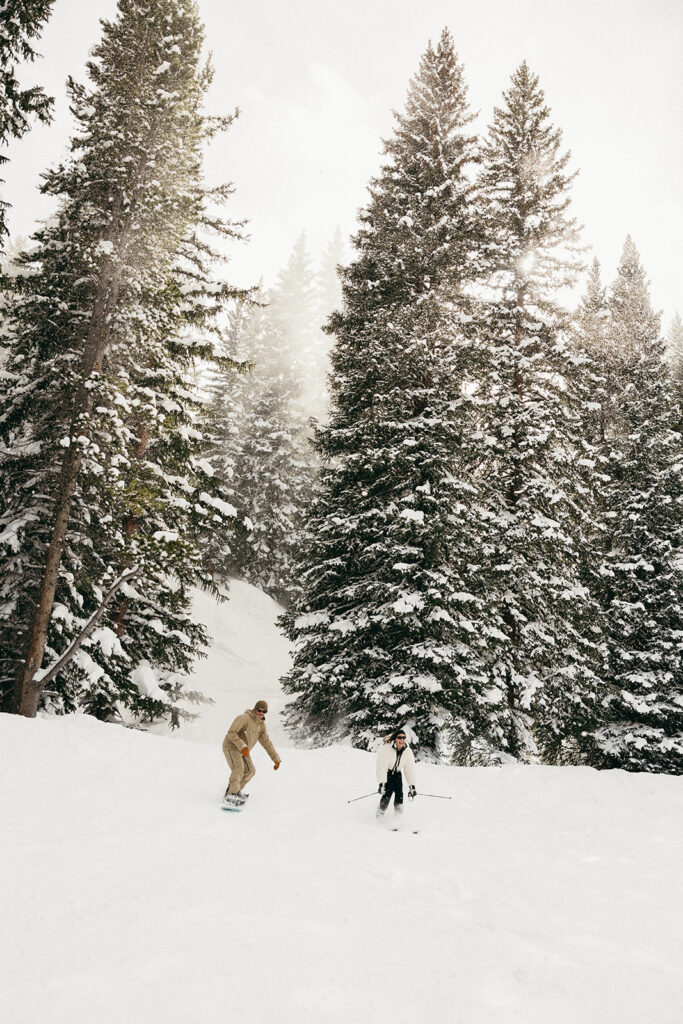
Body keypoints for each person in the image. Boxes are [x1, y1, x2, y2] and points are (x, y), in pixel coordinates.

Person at [222, 699, 281, 808]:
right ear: (255, 709)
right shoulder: (244, 718)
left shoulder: (261, 725)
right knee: (239, 769)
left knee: (250, 771)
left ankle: (235, 790)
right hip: (231, 746)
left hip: (244, 750)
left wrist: (276, 759)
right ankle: (231, 795)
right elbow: (231, 732)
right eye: (259, 710)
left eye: (264, 712)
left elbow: (266, 743)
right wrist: (242, 746)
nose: (261, 713)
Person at [376, 727, 417, 817]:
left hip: (397, 774)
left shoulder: (407, 751)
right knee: (387, 795)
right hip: (388, 774)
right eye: (399, 737)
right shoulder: (387, 749)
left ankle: (397, 819)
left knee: (399, 796)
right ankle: (380, 814)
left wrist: (412, 786)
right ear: (395, 739)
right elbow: (381, 767)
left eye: (403, 737)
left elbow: (409, 769)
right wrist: (381, 783)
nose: (402, 740)